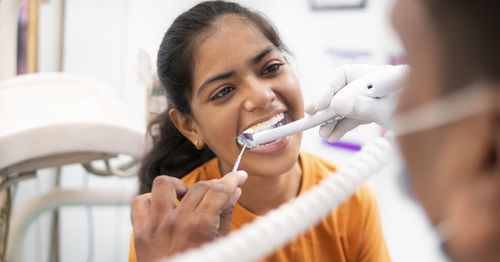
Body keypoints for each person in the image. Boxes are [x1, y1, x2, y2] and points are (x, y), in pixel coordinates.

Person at [129, 1, 392, 262]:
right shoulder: (166, 226)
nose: (262, 96)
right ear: (190, 126)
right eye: (224, 91)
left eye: (271, 67)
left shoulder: (351, 196)